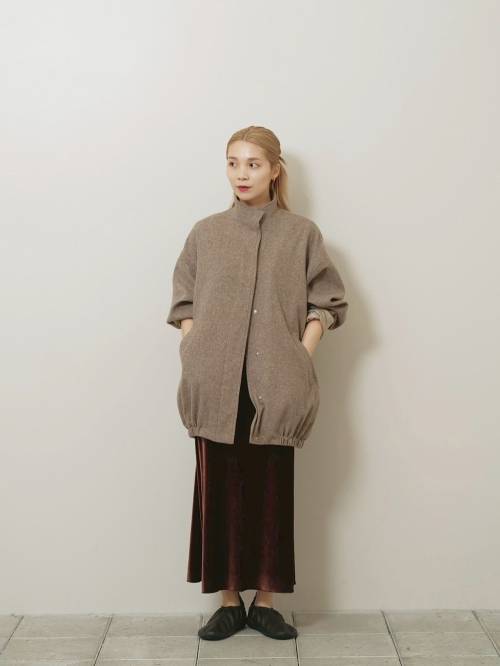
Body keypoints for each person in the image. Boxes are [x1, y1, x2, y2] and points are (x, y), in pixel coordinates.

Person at [166, 125, 348, 641]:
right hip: (214, 383)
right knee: (217, 493)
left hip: (276, 383)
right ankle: (227, 603)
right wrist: (193, 345)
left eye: (252, 164)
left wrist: (301, 353)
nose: (241, 174)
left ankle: (266, 603)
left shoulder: (301, 234)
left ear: (274, 170)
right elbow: (183, 300)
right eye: (233, 163)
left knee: (271, 494)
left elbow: (328, 301)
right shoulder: (205, 233)